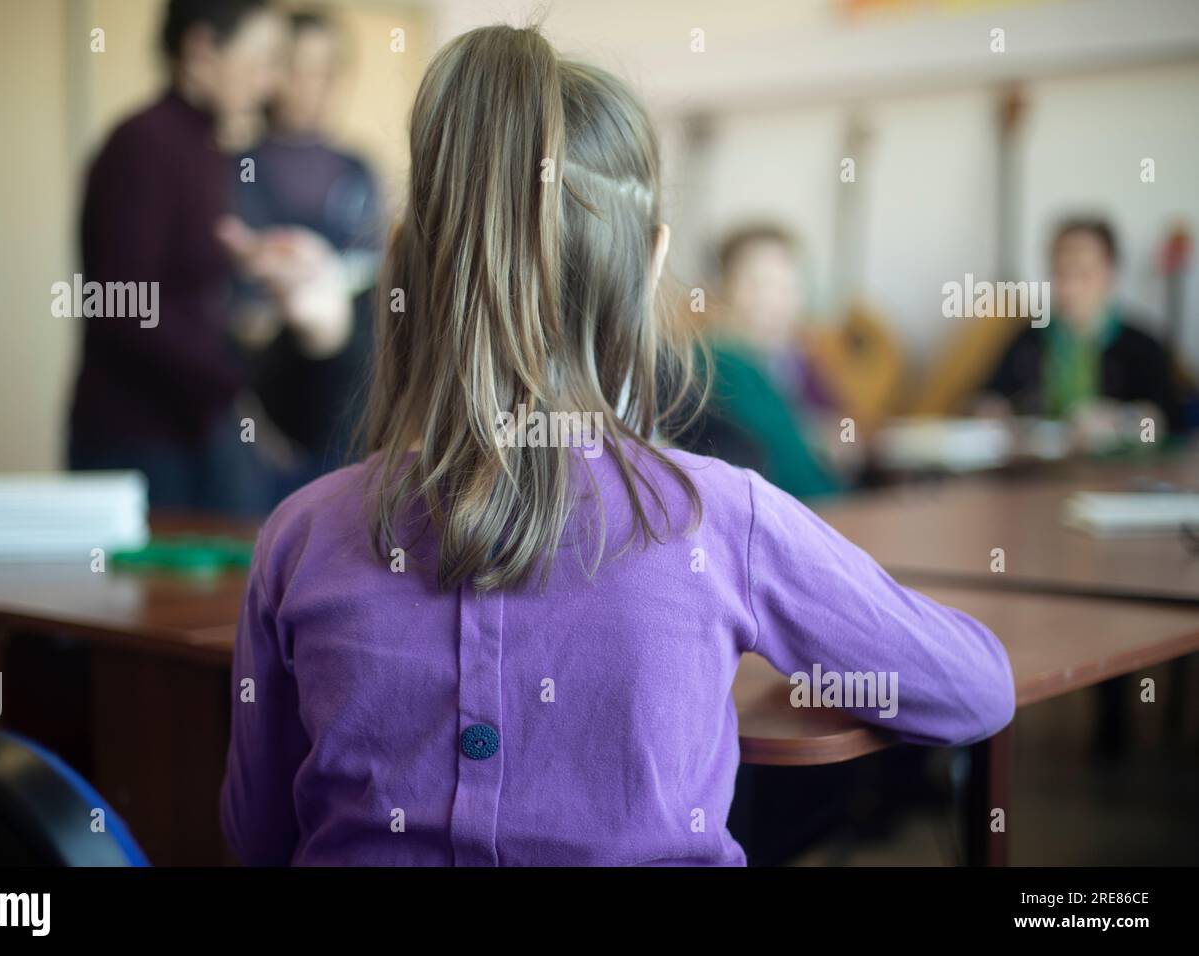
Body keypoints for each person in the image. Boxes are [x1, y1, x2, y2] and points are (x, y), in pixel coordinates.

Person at [219, 24, 1014, 867]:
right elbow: (975, 689)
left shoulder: (297, 536)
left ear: (407, 272)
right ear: (650, 263)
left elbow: (257, 833)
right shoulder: (719, 518)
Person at [69, 0, 349, 515]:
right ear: (201, 50)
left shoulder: (204, 146)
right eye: (262, 58)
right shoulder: (143, 143)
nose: (269, 83)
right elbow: (121, 306)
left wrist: (249, 263)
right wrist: (241, 380)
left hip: (191, 429)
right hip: (138, 440)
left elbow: (182, 281)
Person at [231, 8, 384, 494]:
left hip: (346, 418)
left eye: (328, 69)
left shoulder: (358, 170)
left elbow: (377, 289)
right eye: (301, 68)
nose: (315, 84)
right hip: (260, 420)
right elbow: (227, 313)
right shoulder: (239, 171)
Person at [978, 217, 1186, 448]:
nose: (1069, 287)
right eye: (1060, 273)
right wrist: (991, 411)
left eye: (1083, 274)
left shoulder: (1143, 346)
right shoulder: (1029, 338)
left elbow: (1171, 421)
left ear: (1109, 274)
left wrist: (1122, 422)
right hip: (1039, 474)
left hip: (1115, 475)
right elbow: (990, 396)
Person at [686, 226, 844, 499]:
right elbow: (793, 475)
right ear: (719, 290)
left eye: (788, 286)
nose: (774, 301)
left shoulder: (794, 360)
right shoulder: (722, 365)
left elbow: (835, 420)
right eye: (759, 285)